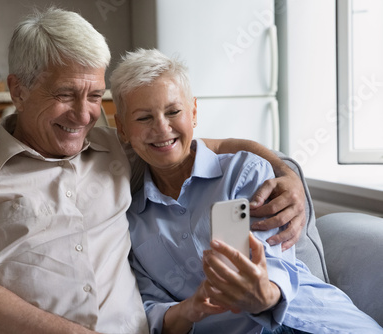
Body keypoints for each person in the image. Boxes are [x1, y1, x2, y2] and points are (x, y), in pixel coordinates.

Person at [0, 7, 307, 334]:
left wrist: (285, 171)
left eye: (95, 96)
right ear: (18, 90)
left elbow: (191, 144)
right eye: (65, 95)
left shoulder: (116, 148)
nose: (84, 115)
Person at [110, 48, 383, 334]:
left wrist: (265, 293)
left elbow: (276, 255)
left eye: (173, 111)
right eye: (143, 118)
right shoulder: (128, 218)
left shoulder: (244, 172)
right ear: (122, 129)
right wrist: (187, 310)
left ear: (193, 112)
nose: (162, 128)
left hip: (314, 319)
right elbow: (149, 309)